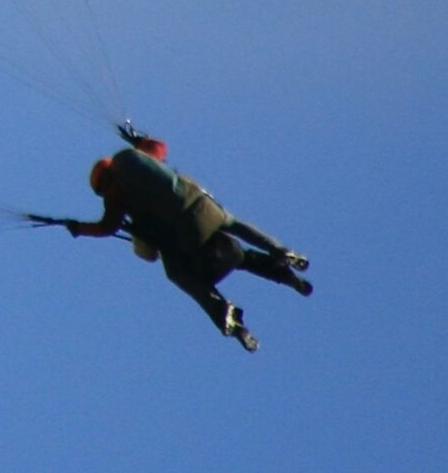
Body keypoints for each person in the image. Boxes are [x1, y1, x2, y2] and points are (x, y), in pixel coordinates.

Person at [34, 124, 311, 351]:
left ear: (102, 184)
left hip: (186, 229)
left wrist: (78, 228)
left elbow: (107, 228)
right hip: (205, 206)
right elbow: (159, 147)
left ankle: (222, 312)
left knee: (178, 274)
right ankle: (282, 254)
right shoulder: (134, 158)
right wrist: (139, 140)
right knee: (234, 227)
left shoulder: (115, 196)